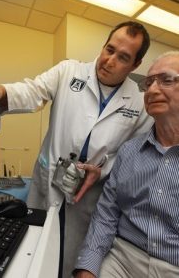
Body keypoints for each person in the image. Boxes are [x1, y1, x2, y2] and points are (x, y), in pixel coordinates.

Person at [0, 21, 154, 277]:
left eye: (123, 57)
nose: (109, 61)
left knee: (69, 261)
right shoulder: (69, 71)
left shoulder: (140, 104)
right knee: (32, 253)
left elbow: (130, 155)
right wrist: (2, 92)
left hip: (88, 198)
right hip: (48, 183)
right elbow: (33, 91)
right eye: (109, 49)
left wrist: (101, 170)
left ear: (135, 65)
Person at [74, 51, 179, 278]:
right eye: (148, 82)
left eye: (167, 80)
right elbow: (106, 215)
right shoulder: (129, 151)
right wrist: (87, 268)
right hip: (123, 257)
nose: (151, 90)